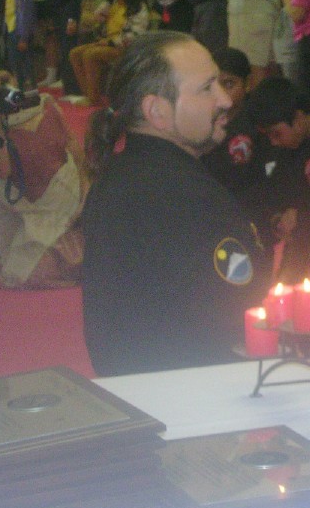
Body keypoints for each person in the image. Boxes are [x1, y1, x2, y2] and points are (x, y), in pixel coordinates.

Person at [81, 31, 271, 376]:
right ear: (157, 111)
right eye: (206, 89)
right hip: (196, 393)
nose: (226, 100)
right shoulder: (190, 195)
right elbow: (246, 305)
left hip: (135, 385)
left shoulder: (116, 177)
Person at [0, 66, 88, 288]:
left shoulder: (43, 102)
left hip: (59, 200)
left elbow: (73, 144)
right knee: (20, 272)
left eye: (3, 80)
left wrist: (86, 187)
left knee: (24, 273)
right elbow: (2, 170)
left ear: (15, 79)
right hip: (16, 205)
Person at [245, 76, 310, 283]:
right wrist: (277, 219)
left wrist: (301, 215)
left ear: (298, 119)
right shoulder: (287, 148)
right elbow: (272, 194)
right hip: (294, 256)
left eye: (277, 134)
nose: (273, 142)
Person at [201, 46, 272, 221]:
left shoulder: (259, 123)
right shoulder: (201, 121)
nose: (222, 93)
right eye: (214, 85)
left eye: (229, 84)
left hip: (250, 213)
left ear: (247, 84)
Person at [69, 0, 150, 106]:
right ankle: (88, 94)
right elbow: (96, 18)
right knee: (75, 53)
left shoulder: (138, 7)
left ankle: (93, 98)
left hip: (124, 47)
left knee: (91, 54)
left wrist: (111, 42)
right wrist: (108, 0)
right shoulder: (113, 3)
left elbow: (135, 35)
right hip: (106, 42)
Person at [214, 0, 283, 89]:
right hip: (264, 7)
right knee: (267, 66)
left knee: (250, 66)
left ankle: (257, 109)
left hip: (249, 12)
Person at [44, 0, 86, 97]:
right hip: (55, 9)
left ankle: (73, 89)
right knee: (62, 48)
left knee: (69, 48)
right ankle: (66, 85)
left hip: (68, 9)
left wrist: (72, 18)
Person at [3, 0, 36, 92]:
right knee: (15, 65)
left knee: (25, 65)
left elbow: (26, 17)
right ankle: (19, 91)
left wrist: (24, 38)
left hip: (20, 34)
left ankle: (29, 92)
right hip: (11, 31)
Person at [272, 0, 302, 85]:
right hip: (282, 56)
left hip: (294, 56)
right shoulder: (283, 4)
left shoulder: (297, 4)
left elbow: (295, 17)